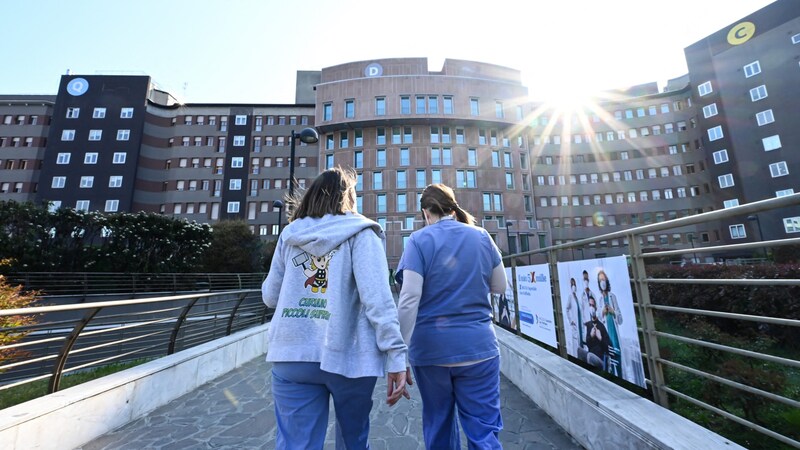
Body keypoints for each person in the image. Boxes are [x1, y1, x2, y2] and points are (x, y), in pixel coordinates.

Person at [261, 167, 409, 450]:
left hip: (292, 355)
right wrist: (396, 355)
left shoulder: (290, 235)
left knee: (296, 445)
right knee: (353, 442)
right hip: (350, 358)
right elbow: (377, 299)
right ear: (349, 198)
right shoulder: (362, 231)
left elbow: (270, 296)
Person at [395, 183, 507, 449]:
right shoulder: (481, 236)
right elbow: (501, 286)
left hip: (431, 352)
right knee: (484, 431)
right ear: (452, 208)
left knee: (439, 424)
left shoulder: (418, 240)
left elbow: (410, 297)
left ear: (426, 213)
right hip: (479, 348)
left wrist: (399, 351)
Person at [597, 270, 623, 377]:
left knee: (617, 360)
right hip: (606, 337)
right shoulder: (599, 300)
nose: (602, 282)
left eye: (603, 279)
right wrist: (602, 313)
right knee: (609, 363)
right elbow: (598, 321)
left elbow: (620, 320)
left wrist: (613, 311)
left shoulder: (613, 297)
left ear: (607, 281)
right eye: (600, 280)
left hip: (614, 336)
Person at [578, 295, 609, 369]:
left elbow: (607, 347)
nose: (591, 307)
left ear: (595, 307)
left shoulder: (601, 326)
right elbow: (588, 344)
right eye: (590, 305)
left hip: (599, 359)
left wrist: (600, 338)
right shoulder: (588, 325)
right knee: (579, 350)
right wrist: (591, 336)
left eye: (593, 305)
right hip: (590, 354)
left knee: (590, 356)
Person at [564, 277, 583, 358]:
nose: (573, 286)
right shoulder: (570, 297)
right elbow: (567, 308)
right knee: (575, 345)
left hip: (579, 323)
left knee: (580, 343)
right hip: (575, 324)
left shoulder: (577, 298)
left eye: (574, 284)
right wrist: (571, 320)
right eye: (572, 284)